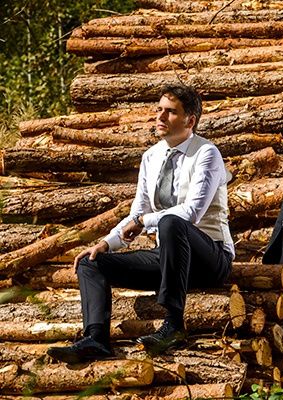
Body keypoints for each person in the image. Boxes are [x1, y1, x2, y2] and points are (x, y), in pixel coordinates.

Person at [48, 84, 235, 364]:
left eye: (170, 112)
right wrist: (107, 242)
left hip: (211, 258)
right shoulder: (151, 157)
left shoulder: (206, 153)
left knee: (173, 221)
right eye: (159, 109)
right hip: (169, 261)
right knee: (91, 262)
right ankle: (96, 338)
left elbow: (192, 212)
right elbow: (139, 211)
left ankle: (173, 325)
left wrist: (143, 221)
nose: (160, 116)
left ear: (190, 120)